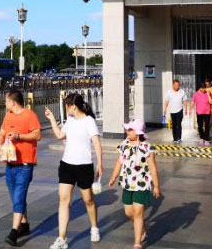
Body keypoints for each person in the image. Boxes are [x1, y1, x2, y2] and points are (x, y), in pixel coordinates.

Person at [44, 93, 103, 249]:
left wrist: (100, 163)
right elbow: (59, 135)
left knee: (88, 200)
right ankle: (62, 238)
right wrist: (51, 119)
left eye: (67, 105)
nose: (66, 108)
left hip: (84, 166)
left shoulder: (89, 121)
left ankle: (94, 227)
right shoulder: (69, 121)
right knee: (64, 201)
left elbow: (96, 143)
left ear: (73, 107)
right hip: (67, 165)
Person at [0, 89, 42, 246]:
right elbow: (1, 133)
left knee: (18, 197)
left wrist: (19, 136)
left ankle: (14, 232)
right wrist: (0, 146)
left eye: (6, 100)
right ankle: (24, 224)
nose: (5, 103)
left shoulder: (29, 115)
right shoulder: (9, 115)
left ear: (13, 102)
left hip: (25, 164)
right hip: (10, 164)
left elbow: (37, 135)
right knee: (16, 197)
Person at [108, 118, 160, 249]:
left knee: (138, 213)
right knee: (128, 212)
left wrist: (156, 186)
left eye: (130, 129)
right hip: (127, 183)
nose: (127, 131)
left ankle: (137, 242)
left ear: (137, 132)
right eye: (127, 128)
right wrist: (114, 177)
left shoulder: (146, 147)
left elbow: (153, 167)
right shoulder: (124, 144)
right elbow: (119, 162)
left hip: (142, 184)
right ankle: (142, 227)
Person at [163, 80, 187, 144]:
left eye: (178, 85)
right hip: (172, 111)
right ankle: (175, 138)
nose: (177, 87)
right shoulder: (169, 92)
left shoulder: (182, 92)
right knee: (174, 125)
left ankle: (179, 138)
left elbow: (184, 100)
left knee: (179, 124)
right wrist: (165, 109)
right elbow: (166, 101)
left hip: (180, 110)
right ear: (173, 85)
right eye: (176, 85)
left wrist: (186, 109)